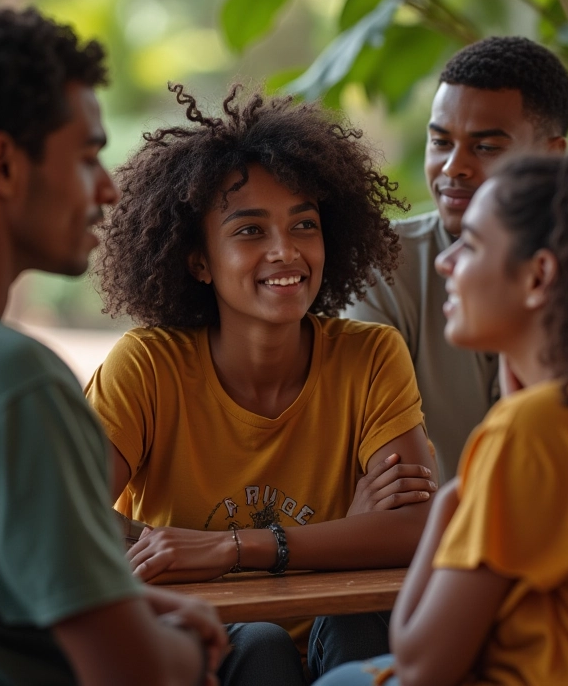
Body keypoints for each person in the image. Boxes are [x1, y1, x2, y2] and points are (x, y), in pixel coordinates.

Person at [317, 133, 568, 685]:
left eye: (471, 245)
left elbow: (420, 661)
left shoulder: (536, 428)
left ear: (537, 276)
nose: (447, 263)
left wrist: (457, 496)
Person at [84, 84, 438, 685]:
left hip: (341, 642)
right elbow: (71, 514)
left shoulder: (369, 355)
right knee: (261, 647)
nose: (286, 251)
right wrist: (349, 534)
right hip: (220, 654)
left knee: (360, 625)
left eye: (304, 225)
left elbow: (413, 531)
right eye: (250, 232)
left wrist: (232, 548)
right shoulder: (146, 368)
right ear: (198, 260)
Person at [0, 5, 228, 686]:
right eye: (88, 156)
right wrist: (191, 649)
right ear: (4, 165)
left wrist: (121, 605)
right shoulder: (13, 385)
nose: (107, 187)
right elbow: (131, 676)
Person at [345, 36, 568, 480]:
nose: (453, 167)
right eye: (440, 142)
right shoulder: (384, 262)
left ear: (552, 157)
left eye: (486, 147)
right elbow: (385, 478)